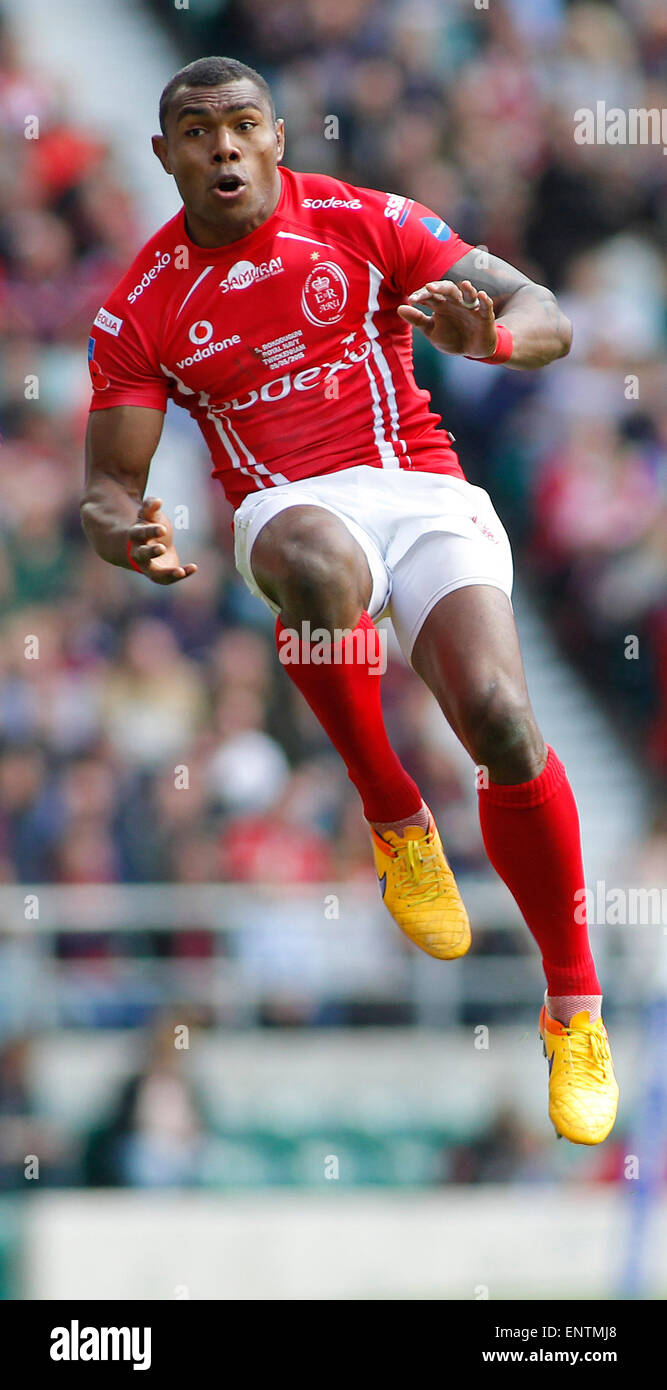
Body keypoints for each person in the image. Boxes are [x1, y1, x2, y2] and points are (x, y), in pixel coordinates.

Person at [80, 55, 618, 1146]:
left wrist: (494, 340)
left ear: (276, 135)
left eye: (240, 125)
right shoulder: (142, 305)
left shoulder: (362, 219)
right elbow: (106, 485)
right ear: (162, 154)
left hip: (418, 488)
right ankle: (393, 816)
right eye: (194, 131)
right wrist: (120, 530)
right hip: (285, 510)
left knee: (506, 725)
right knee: (320, 564)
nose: (221, 147)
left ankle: (573, 1011)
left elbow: (544, 310)